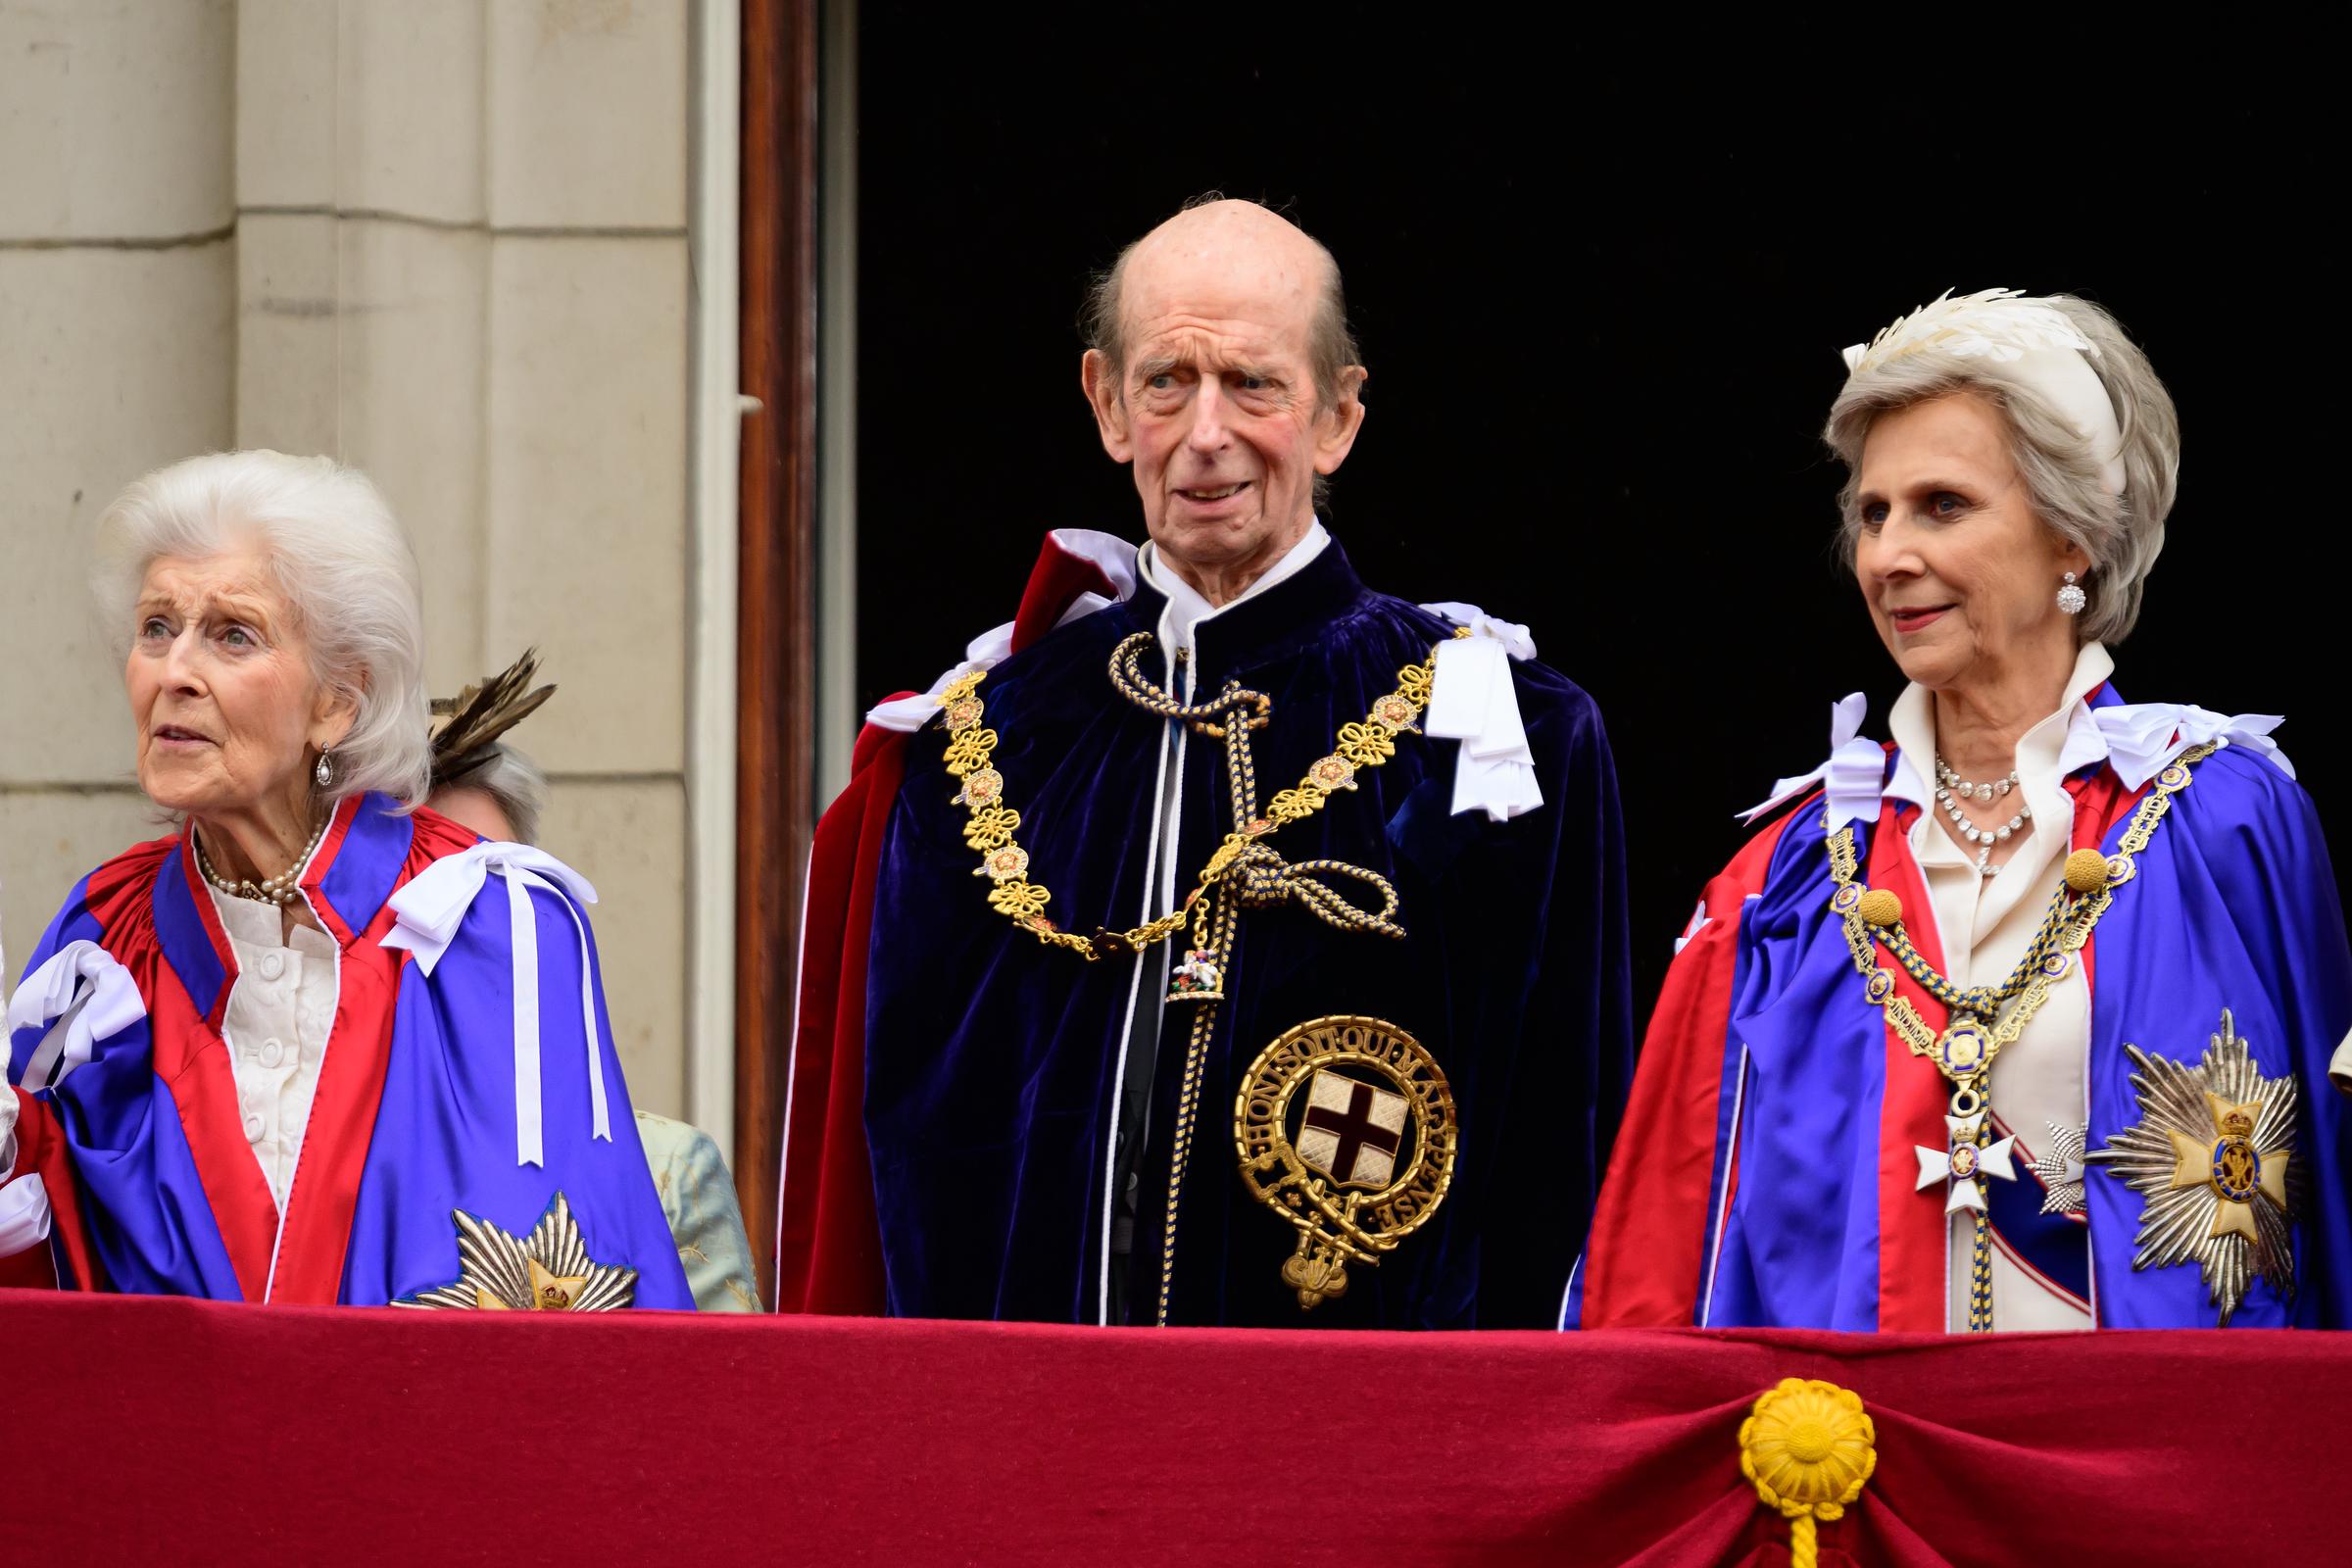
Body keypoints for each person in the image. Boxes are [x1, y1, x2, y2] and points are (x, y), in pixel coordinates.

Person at [782, 197, 1633, 1328]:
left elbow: (1566, 1170)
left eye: (1255, 384)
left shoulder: (1504, 739)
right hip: (1031, 1446)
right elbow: (897, 1189)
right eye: (1167, 381)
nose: (1205, 432)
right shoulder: (973, 753)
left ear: (1337, 416)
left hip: (1364, 1447)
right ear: (1106, 403)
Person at [1573, 290, 2352, 1332]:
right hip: (1855, 1467)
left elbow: (2332, 1199)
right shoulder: (1791, 872)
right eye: (1873, 512)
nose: (1889, 555)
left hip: (2148, 1460)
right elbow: (1663, 1250)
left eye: (1944, 504)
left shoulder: (2222, 814)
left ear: (2074, 536)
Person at [0, 451, 690, 1308]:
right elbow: (49, 1272)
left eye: (232, 633)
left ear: (337, 702)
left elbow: (563, 1288)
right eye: (155, 628)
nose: (173, 672)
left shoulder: (486, 921)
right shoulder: (104, 938)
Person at [423, 664, 762, 1315]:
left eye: (493, 876)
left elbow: (724, 1405)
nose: (464, 918)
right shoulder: (304, 1163)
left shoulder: (667, 1172)